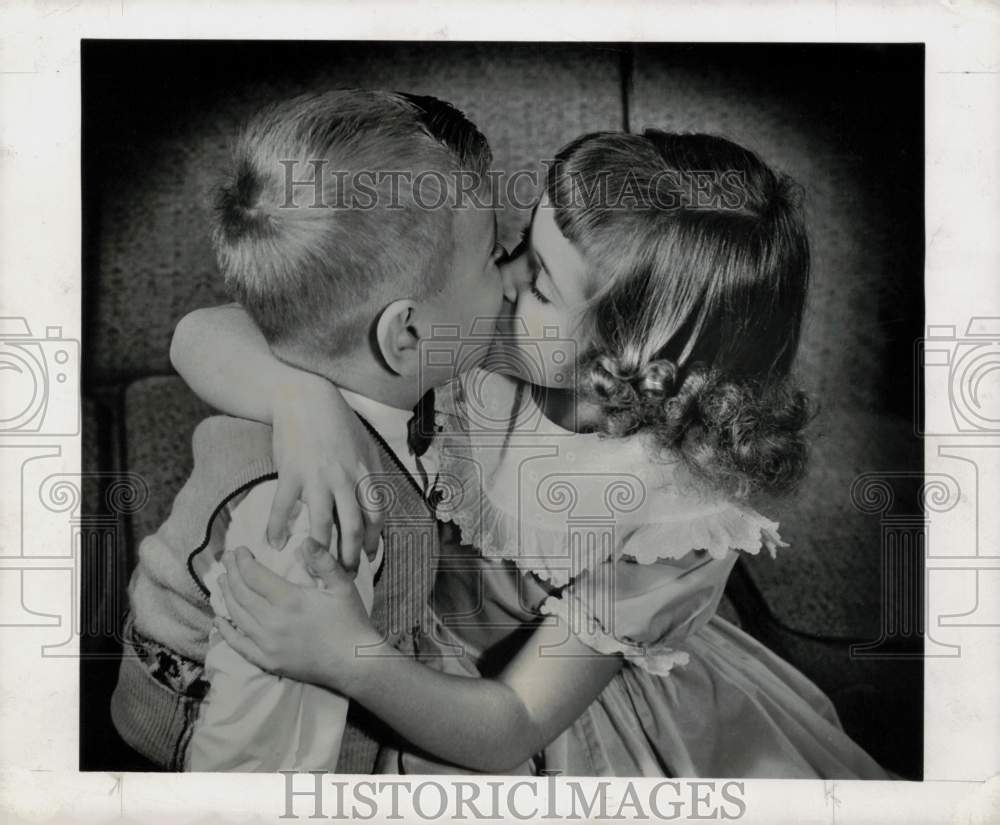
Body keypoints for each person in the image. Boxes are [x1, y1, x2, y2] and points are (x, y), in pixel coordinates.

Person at [173, 130, 894, 778]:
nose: (505, 276)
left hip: (534, 726)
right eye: (521, 245)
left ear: (633, 357)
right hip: (407, 645)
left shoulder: (676, 514)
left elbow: (509, 728)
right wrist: (301, 400)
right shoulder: (500, 339)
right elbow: (201, 334)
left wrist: (346, 658)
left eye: (540, 281)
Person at [110, 88, 519, 772]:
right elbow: (248, 769)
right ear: (407, 332)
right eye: (493, 258)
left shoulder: (335, 361)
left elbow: (198, 333)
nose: (507, 285)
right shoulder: (319, 527)